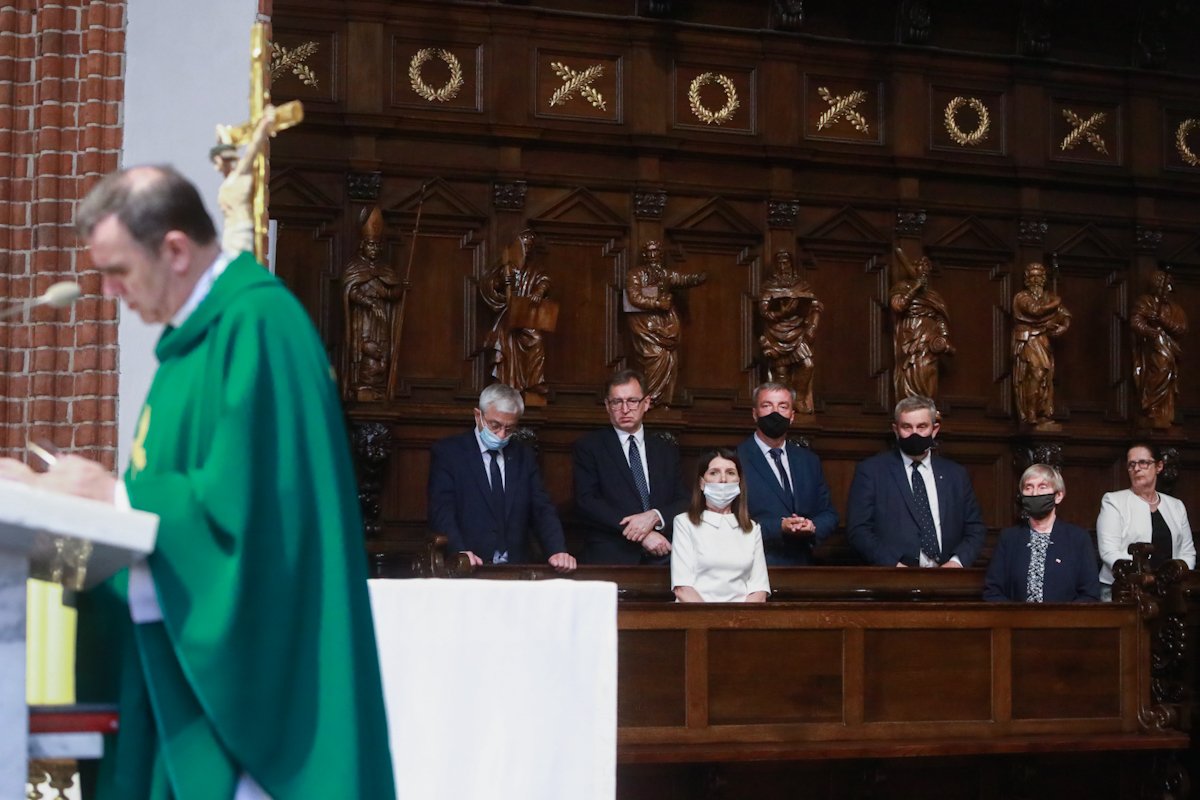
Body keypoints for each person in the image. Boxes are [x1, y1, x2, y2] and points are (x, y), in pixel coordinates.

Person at [0, 166, 395, 799]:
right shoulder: (189, 347)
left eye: (118, 270)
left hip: (249, 696)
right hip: (173, 670)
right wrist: (44, 503)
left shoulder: (259, 325)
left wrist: (115, 497)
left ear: (176, 250)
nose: (108, 290)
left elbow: (254, 517)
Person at [428, 383, 577, 571]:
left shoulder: (524, 456)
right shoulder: (449, 453)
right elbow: (442, 510)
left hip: (516, 567)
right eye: (495, 426)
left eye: (509, 429)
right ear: (478, 416)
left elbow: (541, 508)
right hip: (469, 565)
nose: (501, 435)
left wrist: (557, 550)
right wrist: (459, 552)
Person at [846, 395, 986, 567]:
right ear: (896, 430)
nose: (914, 434)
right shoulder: (872, 471)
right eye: (907, 427)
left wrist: (956, 562)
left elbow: (975, 528)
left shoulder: (955, 475)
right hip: (893, 575)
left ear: (934, 429)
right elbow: (858, 530)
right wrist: (892, 564)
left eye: (922, 427)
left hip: (947, 574)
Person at [572, 369, 689, 564]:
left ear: (646, 403)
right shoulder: (590, 447)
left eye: (632, 401)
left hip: (663, 553)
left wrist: (655, 516)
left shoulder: (665, 450)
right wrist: (642, 533)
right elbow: (587, 501)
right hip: (612, 554)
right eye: (617, 402)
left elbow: (683, 500)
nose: (625, 409)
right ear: (607, 406)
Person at [736, 382, 838, 566]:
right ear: (755, 414)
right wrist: (778, 527)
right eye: (767, 405)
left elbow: (828, 513)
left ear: (792, 416)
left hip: (803, 565)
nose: (775, 413)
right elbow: (729, 521)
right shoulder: (736, 460)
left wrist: (812, 526)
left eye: (783, 406)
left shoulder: (808, 461)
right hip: (755, 564)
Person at [984, 464, 1101, 602]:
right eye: (1028, 488)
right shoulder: (1009, 538)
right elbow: (992, 591)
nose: (1034, 493)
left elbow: (1090, 594)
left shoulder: (1078, 539)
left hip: (1064, 615)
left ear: (1058, 496)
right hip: (1016, 615)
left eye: (1042, 487)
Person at [1097, 442, 1196, 599]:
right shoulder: (1113, 501)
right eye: (1131, 464)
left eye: (1143, 463)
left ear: (1159, 466)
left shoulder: (1176, 506)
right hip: (1123, 589)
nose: (1136, 468)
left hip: (1169, 589)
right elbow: (1109, 551)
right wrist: (1143, 576)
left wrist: (1177, 574)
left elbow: (1187, 552)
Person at [671, 448, 770, 603]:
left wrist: (738, 618)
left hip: (742, 616)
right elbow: (683, 588)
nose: (723, 479)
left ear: (739, 482)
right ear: (702, 483)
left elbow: (759, 590)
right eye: (714, 473)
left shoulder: (752, 528)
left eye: (730, 473)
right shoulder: (684, 523)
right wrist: (714, 617)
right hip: (695, 613)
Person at [625, 239, 707, 406]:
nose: (653, 255)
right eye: (650, 252)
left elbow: (682, 279)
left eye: (656, 251)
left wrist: (699, 278)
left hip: (664, 324)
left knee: (669, 359)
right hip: (645, 325)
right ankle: (650, 400)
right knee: (653, 357)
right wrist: (657, 303)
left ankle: (661, 401)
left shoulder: (664, 274)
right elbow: (634, 297)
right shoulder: (635, 274)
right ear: (644, 255)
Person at [342, 205, 404, 401]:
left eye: (377, 246)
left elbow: (394, 293)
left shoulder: (386, 269)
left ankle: (379, 388)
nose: (374, 249)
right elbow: (350, 290)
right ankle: (359, 384)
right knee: (364, 350)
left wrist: (392, 291)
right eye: (370, 245)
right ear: (362, 245)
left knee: (381, 350)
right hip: (362, 319)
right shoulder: (354, 267)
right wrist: (368, 301)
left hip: (382, 319)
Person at [480, 228, 551, 398]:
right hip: (508, 312)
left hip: (526, 313)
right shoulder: (508, 266)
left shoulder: (534, 268)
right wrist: (502, 281)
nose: (527, 249)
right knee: (504, 342)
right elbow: (491, 284)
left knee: (536, 340)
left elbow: (544, 281)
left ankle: (533, 382)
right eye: (525, 245)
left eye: (530, 246)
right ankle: (505, 383)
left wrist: (539, 292)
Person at [757, 249, 823, 414]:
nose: (783, 267)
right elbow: (764, 311)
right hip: (776, 333)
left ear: (791, 264)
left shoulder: (801, 285)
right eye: (779, 263)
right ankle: (782, 407)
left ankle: (798, 399)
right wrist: (783, 313)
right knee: (781, 373)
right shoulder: (769, 286)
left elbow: (815, 305)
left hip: (797, 332)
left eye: (785, 263)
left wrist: (813, 325)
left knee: (807, 365)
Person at [209, 104, 276, 256]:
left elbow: (253, 148)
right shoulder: (228, 181)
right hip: (230, 233)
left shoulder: (240, 173)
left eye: (217, 162)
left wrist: (264, 124)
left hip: (241, 230)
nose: (216, 167)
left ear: (225, 159)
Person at [1011, 261, 1071, 426]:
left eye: (1039, 276)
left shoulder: (1047, 297)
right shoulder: (1022, 297)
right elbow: (1035, 310)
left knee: (1045, 376)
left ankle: (1042, 411)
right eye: (1032, 276)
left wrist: (1063, 326)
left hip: (1043, 339)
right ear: (1027, 279)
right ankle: (1030, 412)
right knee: (1036, 373)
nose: (1036, 280)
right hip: (1028, 339)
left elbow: (1064, 314)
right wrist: (1055, 302)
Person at [891, 254, 954, 401]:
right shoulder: (902, 288)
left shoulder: (931, 295)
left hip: (929, 339)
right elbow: (898, 306)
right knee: (911, 368)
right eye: (921, 266)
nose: (924, 270)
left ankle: (927, 405)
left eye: (927, 267)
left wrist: (943, 337)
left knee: (927, 368)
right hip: (910, 335)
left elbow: (939, 317)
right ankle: (910, 404)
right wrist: (915, 289)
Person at [1131, 270, 1188, 429]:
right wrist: (1148, 331)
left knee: (1166, 372)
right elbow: (1136, 321)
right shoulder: (1146, 302)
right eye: (1166, 285)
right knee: (1158, 371)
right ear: (1157, 285)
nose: (1169, 289)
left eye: (1170, 286)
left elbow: (1181, 328)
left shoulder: (1174, 309)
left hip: (1169, 347)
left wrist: (1163, 320)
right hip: (1153, 346)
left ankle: (1163, 411)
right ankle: (1152, 406)